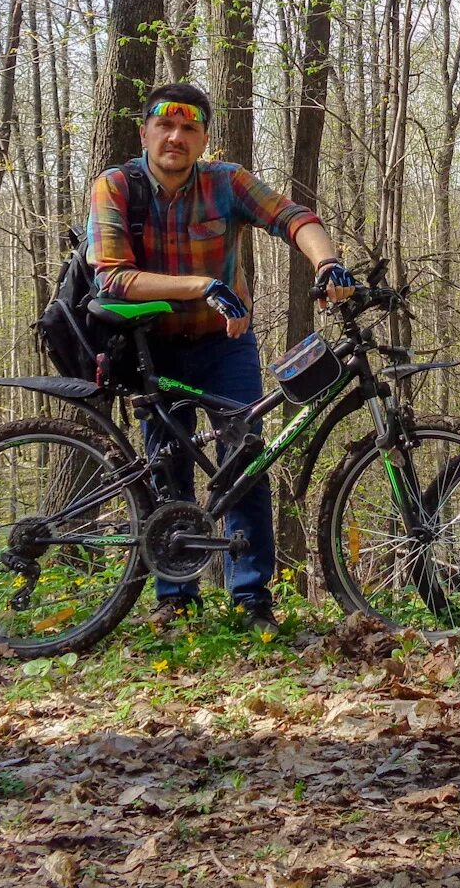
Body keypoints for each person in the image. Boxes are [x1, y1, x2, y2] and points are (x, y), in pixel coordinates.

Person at [87, 82, 355, 629]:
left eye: (189, 128)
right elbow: (111, 278)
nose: (175, 137)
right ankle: (175, 599)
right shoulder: (116, 187)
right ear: (145, 132)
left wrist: (327, 263)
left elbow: (292, 216)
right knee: (168, 470)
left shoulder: (226, 182)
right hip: (150, 348)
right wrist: (201, 284)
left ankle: (252, 598)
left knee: (246, 461)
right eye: (165, 125)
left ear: (204, 137)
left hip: (224, 345)